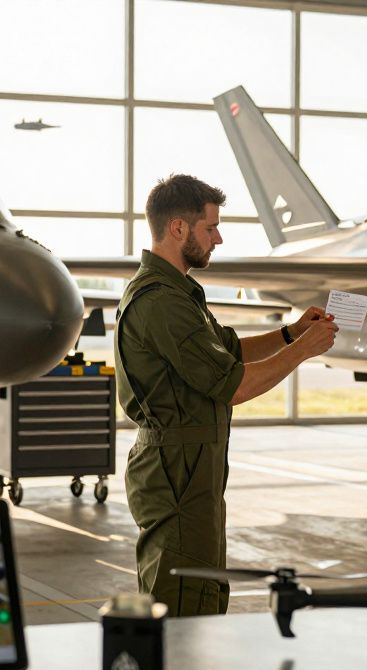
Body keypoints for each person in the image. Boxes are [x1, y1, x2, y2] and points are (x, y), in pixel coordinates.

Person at [114, 174, 338, 617]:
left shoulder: (180, 295)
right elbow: (235, 384)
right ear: (179, 228)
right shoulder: (162, 302)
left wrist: (292, 332)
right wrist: (302, 352)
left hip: (191, 468)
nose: (218, 238)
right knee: (182, 606)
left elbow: (229, 352)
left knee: (203, 592)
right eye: (210, 228)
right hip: (177, 472)